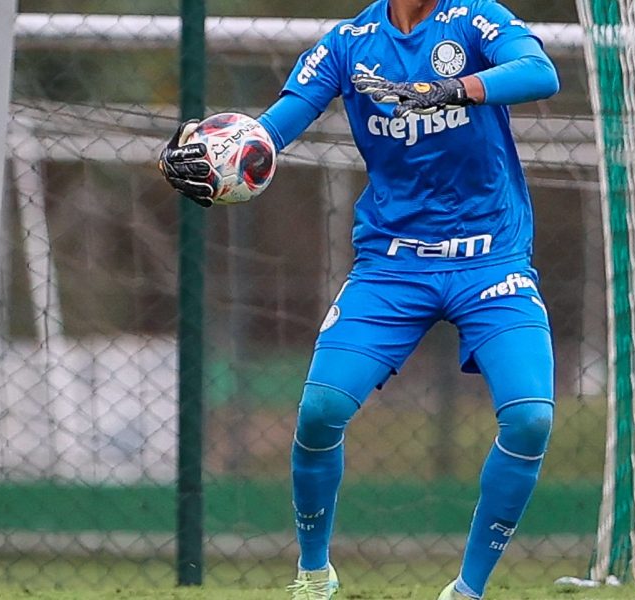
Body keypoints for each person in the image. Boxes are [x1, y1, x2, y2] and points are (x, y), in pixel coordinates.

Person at [158, 1, 560, 598]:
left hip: (491, 261)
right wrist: (225, 154)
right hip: (392, 266)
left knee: (530, 419)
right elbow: (277, 126)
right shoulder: (350, 42)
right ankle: (314, 574)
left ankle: (467, 590)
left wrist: (454, 89)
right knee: (320, 412)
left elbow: (539, 72)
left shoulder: (476, 18)